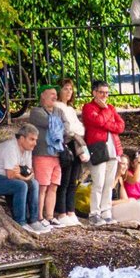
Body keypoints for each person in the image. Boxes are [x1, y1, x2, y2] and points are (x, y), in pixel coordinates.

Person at [0, 123, 46, 233]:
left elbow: (30, 172)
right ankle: (20, 222)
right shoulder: (10, 147)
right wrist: (25, 176)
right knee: (21, 185)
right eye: (32, 139)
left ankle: (33, 221)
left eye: (35, 140)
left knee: (34, 183)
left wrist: (24, 174)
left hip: (5, 178)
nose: (35, 143)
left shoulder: (28, 150)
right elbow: (11, 175)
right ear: (22, 138)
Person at [23, 89, 74, 229]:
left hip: (57, 154)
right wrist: (59, 125)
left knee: (53, 186)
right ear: (42, 96)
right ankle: (39, 216)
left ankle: (50, 217)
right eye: (51, 94)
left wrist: (59, 126)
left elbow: (67, 126)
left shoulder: (59, 111)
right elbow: (50, 123)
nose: (55, 96)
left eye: (55, 94)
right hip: (42, 154)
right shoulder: (36, 112)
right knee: (42, 187)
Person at [80, 80, 125, 225]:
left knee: (108, 182)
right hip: (98, 148)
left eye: (107, 92)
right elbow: (97, 121)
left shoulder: (111, 107)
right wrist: (105, 112)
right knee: (98, 182)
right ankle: (94, 213)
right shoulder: (88, 107)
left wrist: (106, 122)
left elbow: (120, 126)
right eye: (101, 92)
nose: (105, 95)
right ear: (94, 92)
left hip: (113, 149)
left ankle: (106, 211)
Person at [53, 79, 89, 223]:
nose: (69, 92)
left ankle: (71, 211)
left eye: (70, 89)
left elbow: (80, 128)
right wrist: (75, 131)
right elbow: (66, 129)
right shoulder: (57, 107)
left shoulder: (71, 109)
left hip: (76, 145)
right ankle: (62, 212)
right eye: (65, 89)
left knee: (74, 180)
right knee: (65, 180)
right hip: (66, 145)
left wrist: (76, 131)